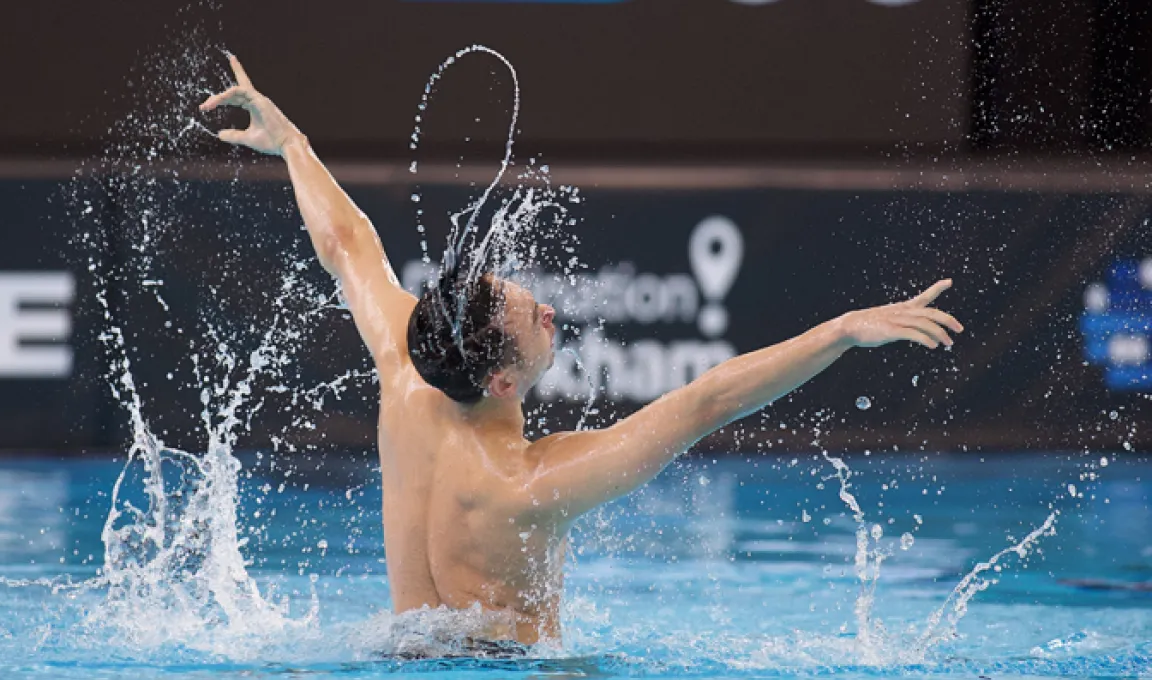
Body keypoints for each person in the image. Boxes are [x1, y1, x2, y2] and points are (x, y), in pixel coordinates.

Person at [201, 54, 964, 649]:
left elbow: (346, 246)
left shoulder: (406, 375)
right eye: (532, 318)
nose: (549, 309)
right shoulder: (529, 482)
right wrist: (839, 331)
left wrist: (291, 142)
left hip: (397, 655)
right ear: (502, 380)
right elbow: (706, 403)